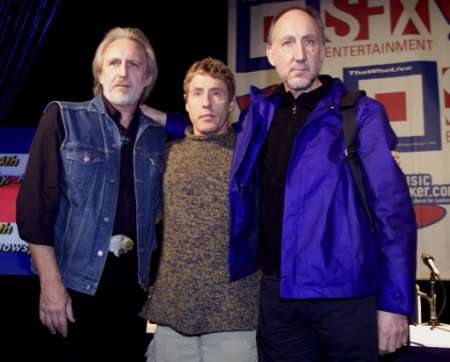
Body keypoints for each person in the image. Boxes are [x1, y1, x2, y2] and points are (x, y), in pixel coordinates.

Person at [146, 6, 416, 362]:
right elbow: (208, 129)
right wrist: (145, 113)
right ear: (272, 53)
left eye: (309, 41)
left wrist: (394, 305)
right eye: (287, 42)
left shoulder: (361, 114)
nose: (299, 54)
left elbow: (393, 214)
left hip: (345, 299)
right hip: (276, 301)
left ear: (322, 49)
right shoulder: (260, 113)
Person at [16, 27, 164, 362]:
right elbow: (33, 210)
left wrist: (160, 116)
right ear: (100, 73)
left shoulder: (158, 137)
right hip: (73, 288)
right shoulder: (62, 118)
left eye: (134, 65)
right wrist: (51, 287)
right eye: (113, 63)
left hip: (132, 291)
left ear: (148, 77)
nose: (123, 72)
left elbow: (204, 128)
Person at [140, 57, 259, 362]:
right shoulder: (164, 156)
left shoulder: (250, 157)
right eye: (198, 93)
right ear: (186, 102)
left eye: (216, 93)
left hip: (236, 316)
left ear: (231, 103)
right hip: (173, 314)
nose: (207, 102)